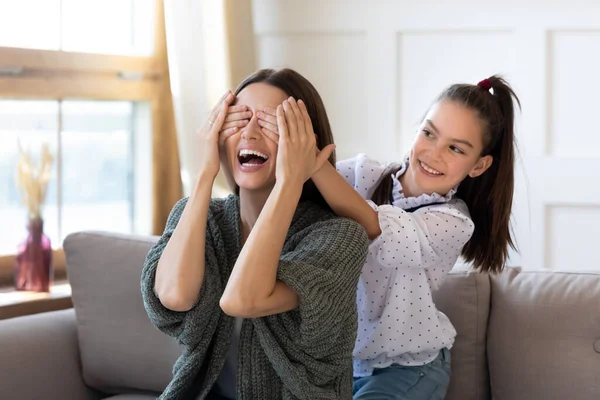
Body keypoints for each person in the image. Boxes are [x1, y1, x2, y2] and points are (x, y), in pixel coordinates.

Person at [259, 75, 520, 399]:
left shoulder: (453, 221)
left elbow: (375, 227)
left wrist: (312, 161)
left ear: (479, 165)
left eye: (455, 148)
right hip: (338, 364)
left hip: (407, 369)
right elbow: (291, 188)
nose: (434, 154)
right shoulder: (359, 174)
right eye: (428, 133)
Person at [140, 68, 369, 400]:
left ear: (305, 142)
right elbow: (174, 296)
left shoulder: (339, 237)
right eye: (238, 120)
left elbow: (243, 300)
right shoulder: (200, 217)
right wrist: (204, 172)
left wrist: (292, 179)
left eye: (269, 123)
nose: (249, 133)